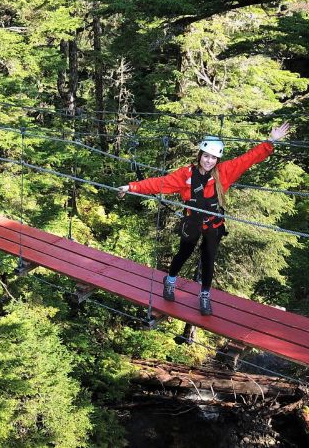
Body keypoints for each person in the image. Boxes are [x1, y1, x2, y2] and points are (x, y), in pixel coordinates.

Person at [117, 123, 291, 315]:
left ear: (218, 159)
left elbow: (248, 159)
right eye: (206, 156)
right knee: (184, 253)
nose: (209, 161)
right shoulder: (186, 175)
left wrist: (270, 141)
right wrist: (131, 187)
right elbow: (160, 183)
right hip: (192, 222)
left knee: (208, 258)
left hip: (213, 224)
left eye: (213, 158)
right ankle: (171, 280)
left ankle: (205, 295)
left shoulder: (224, 172)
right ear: (200, 155)